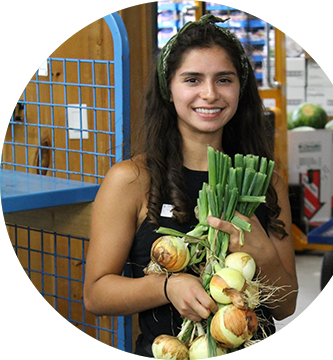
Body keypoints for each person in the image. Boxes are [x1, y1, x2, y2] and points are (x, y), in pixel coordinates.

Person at [83, 14, 298, 360]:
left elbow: (286, 304)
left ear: (240, 88)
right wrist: (167, 286)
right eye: (192, 79)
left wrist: (264, 252)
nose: (209, 94)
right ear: (169, 88)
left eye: (224, 79)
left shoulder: (264, 180)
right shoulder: (132, 180)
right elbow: (95, 295)